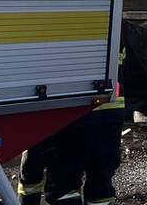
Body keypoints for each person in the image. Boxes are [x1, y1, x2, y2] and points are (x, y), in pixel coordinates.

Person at [18, 51, 126, 205]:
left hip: (74, 115)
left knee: (63, 186)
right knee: (100, 184)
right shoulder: (117, 29)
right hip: (110, 116)